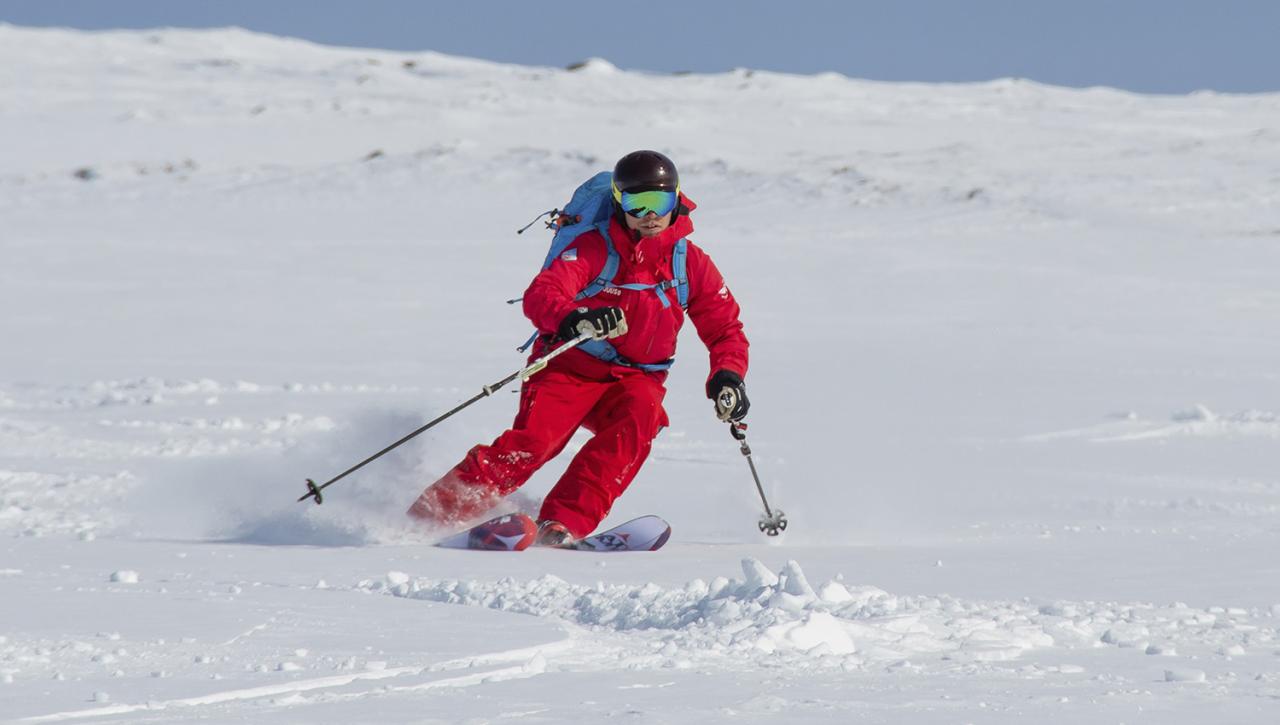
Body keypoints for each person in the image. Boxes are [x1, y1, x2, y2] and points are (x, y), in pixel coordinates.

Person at [407, 150, 750, 546]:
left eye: (660, 202)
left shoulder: (688, 262)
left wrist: (728, 375)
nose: (649, 215)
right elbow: (543, 293)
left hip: (637, 376)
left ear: (677, 201)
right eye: (637, 204)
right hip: (569, 368)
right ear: (619, 204)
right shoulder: (592, 248)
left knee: (638, 421)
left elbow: (724, 326)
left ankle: (563, 523)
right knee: (534, 444)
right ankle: (432, 514)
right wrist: (575, 318)